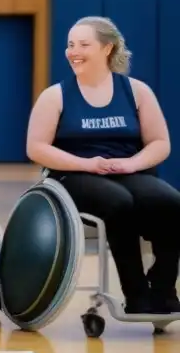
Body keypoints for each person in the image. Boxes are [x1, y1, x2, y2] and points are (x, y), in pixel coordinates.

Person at [26, 16, 180, 315]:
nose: (74, 51)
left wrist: (131, 163)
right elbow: (36, 148)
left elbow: (160, 142)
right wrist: (86, 163)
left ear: (107, 48)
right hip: (73, 175)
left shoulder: (136, 91)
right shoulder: (55, 95)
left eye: (84, 44)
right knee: (118, 202)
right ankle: (135, 294)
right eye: (70, 45)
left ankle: (162, 289)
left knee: (171, 203)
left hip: (126, 171)